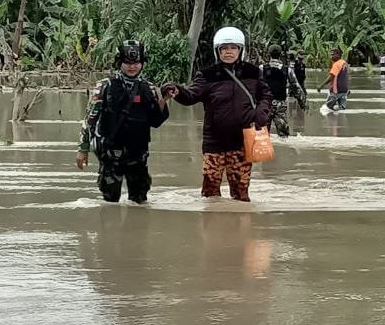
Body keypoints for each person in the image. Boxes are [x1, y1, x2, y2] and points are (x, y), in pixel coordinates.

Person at [162, 27, 272, 201]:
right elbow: (191, 96)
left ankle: (240, 219)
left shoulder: (253, 72)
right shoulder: (207, 75)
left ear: (241, 50)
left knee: (241, 193)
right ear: (217, 51)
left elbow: (266, 95)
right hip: (214, 142)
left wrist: (261, 112)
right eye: (224, 48)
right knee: (210, 192)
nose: (229, 52)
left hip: (242, 141)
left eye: (233, 48)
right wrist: (177, 90)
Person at [77, 40, 171, 204]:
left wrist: (165, 99)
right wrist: (82, 149)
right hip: (111, 152)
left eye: (136, 63)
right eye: (127, 63)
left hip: (138, 153)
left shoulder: (149, 88)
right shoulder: (104, 87)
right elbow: (90, 119)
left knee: (140, 201)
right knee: (110, 200)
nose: (132, 67)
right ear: (119, 62)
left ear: (142, 63)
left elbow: (156, 121)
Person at [261, 44, 305, 131]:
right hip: (280, 104)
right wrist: (302, 102)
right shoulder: (287, 70)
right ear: (281, 54)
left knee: (263, 133)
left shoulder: (261, 68)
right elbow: (296, 87)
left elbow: (253, 86)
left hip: (265, 105)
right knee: (283, 134)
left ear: (268, 54)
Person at [318, 47, 350, 113]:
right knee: (342, 111)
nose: (331, 56)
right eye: (331, 55)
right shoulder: (344, 63)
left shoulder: (336, 64)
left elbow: (331, 77)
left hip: (336, 91)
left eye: (333, 54)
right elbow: (347, 76)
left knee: (326, 109)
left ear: (338, 54)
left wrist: (321, 85)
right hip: (344, 91)